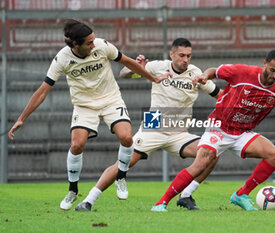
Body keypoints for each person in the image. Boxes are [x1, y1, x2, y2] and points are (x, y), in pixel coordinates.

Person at [8, 19, 170, 211]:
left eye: (93, 40)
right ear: (75, 44)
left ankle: (120, 177)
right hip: (84, 106)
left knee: (127, 138)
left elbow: (127, 61)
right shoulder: (62, 58)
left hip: (111, 99)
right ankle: (73, 190)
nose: (94, 45)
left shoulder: (102, 46)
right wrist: (21, 118)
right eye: (89, 43)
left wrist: (153, 78)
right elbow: (43, 90)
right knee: (77, 145)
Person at [151, 49, 275, 212]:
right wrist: (205, 76)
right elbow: (215, 71)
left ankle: (241, 194)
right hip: (218, 128)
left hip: (242, 133)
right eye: (272, 70)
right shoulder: (242, 72)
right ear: (264, 63)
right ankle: (161, 203)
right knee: (201, 163)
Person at [74, 38, 222, 211]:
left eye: (189, 56)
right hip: (154, 125)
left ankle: (186, 195)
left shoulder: (195, 73)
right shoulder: (157, 66)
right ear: (172, 54)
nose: (185, 60)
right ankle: (88, 201)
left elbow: (219, 94)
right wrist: (139, 66)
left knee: (212, 152)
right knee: (124, 163)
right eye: (181, 55)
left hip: (179, 132)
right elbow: (124, 74)